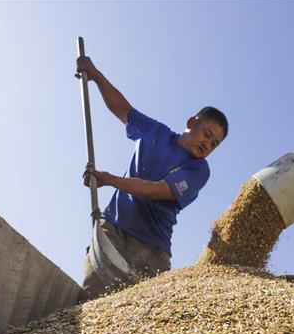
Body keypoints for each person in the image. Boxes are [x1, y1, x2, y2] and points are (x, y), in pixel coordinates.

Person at [76, 54, 228, 301]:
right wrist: (95, 75)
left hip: (151, 248)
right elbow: (123, 110)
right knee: (90, 298)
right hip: (113, 226)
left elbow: (158, 190)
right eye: (206, 134)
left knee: (141, 318)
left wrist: (110, 179)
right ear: (191, 123)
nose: (207, 145)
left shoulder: (200, 170)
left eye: (214, 144)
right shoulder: (156, 133)